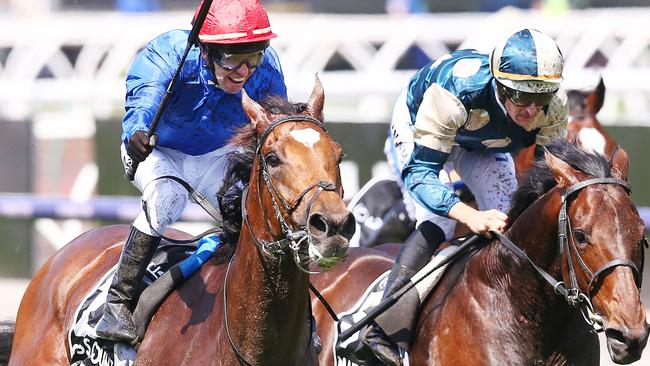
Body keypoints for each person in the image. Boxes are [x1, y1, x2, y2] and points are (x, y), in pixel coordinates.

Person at [361, 28, 568, 365]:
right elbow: (421, 174)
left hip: (480, 143)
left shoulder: (555, 105)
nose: (531, 110)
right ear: (499, 85)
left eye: (540, 97)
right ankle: (380, 326)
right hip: (422, 126)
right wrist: (470, 216)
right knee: (440, 219)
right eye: (519, 96)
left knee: (509, 217)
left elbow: (546, 181)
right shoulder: (455, 92)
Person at [95, 0, 287, 344]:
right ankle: (117, 305)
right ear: (204, 49)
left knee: (256, 204)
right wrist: (138, 132)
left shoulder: (267, 69)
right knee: (168, 197)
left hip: (216, 154)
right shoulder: (168, 54)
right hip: (159, 151)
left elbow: (277, 128)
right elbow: (144, 101)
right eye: (232, 58)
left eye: (253, 57)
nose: (243, 71)